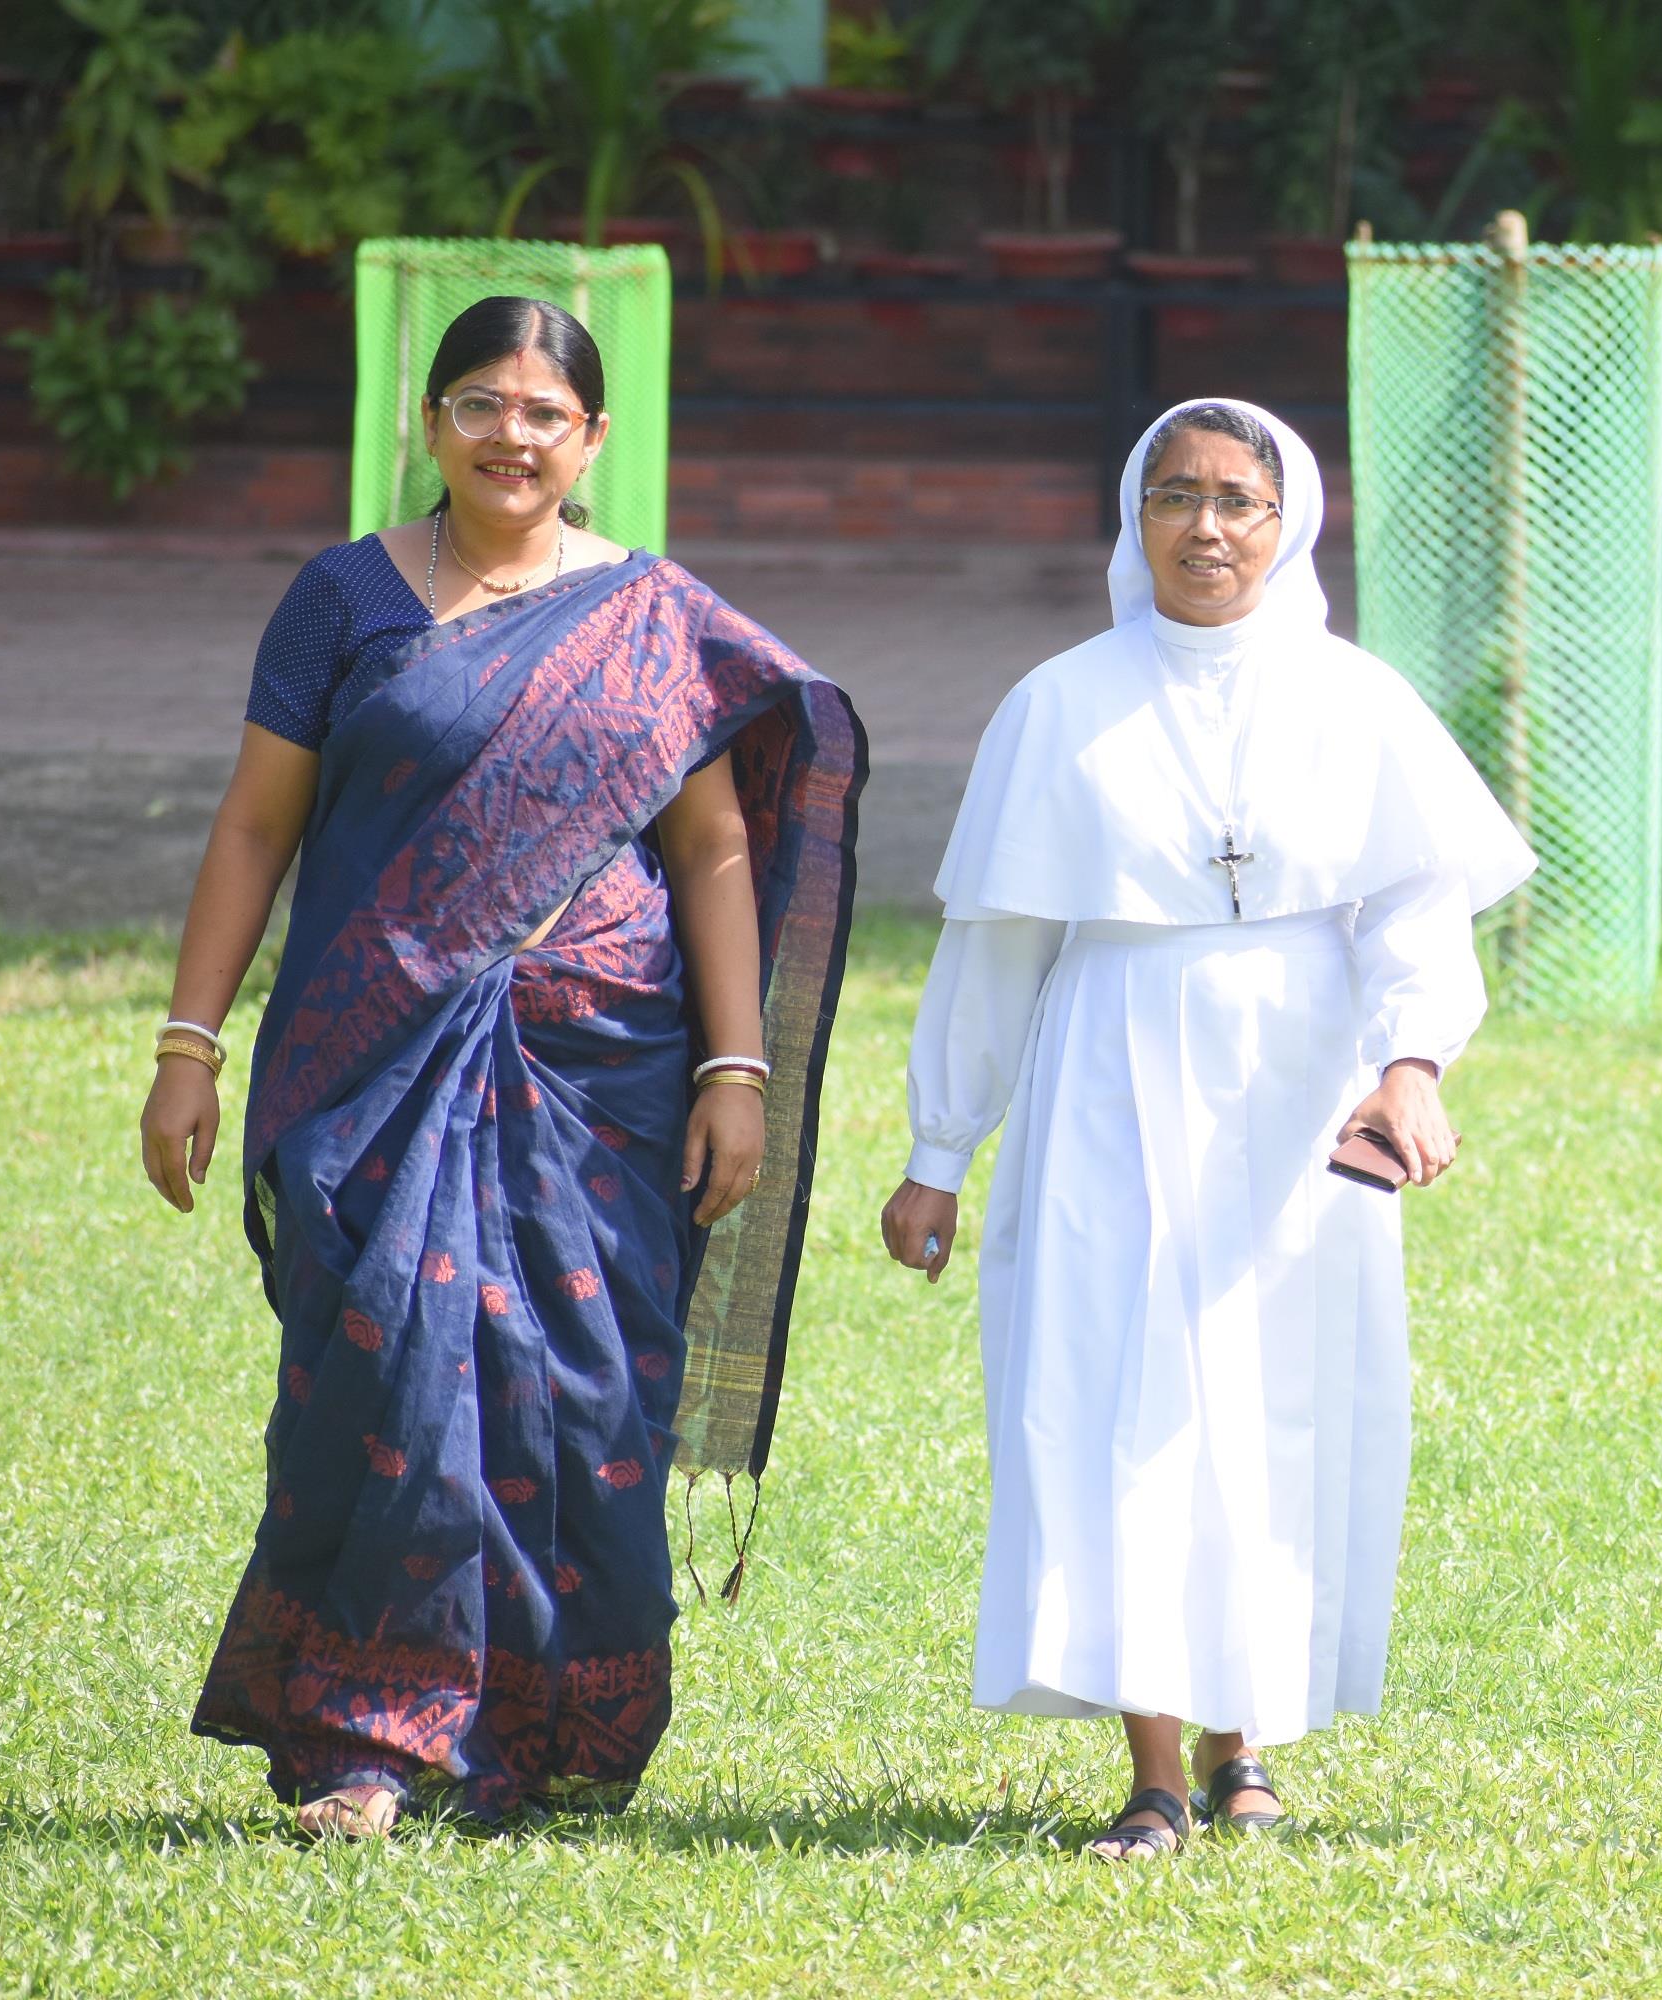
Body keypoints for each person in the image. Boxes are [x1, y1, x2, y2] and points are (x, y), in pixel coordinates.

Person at [141, 295, 864, 1838]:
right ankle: (369, 1744)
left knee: (579, 1396)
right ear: (432, 424)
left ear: (594, 439)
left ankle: (542, 1731)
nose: (512, 436)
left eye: (545, 412)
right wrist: (187, 1044)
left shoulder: (654, 618)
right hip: (374, 1058)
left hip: (604, 1065)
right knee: (386, 1368)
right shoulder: (342, 601)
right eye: (481, 404)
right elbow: (258, 824)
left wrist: (739, 1069)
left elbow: (718, 842)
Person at [879, 398, 1533, 1861]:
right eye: (1175, 496)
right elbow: (995, 950)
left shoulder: (1357, 699)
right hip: (1108, 1071)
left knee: (1272, 1397)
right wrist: (938, 1150)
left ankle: (1256, 1749)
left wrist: (1414, 1064)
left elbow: (1417, 912)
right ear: (1136, 518)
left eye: (1239, 498)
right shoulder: (1058, 703)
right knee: (1124, 1396)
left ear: (1289, 519)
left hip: (1306, 1080)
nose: (1208, 527)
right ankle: (1157, 1769)